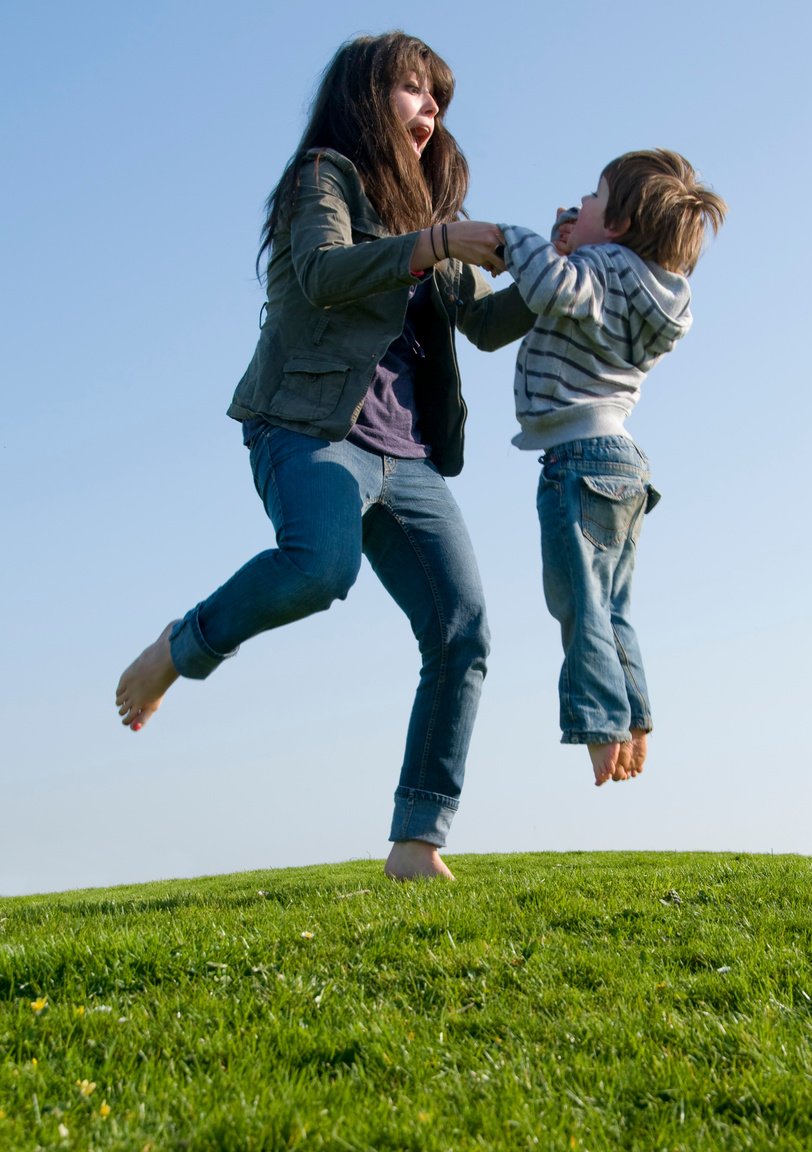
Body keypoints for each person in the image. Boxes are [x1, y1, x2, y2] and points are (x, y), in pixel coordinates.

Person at [115, 32, 533, 881]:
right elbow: (321, 271)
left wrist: (557, 270)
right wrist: (440, 241)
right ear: (364, 94)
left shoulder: (427, 218)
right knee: (320, 565)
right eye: (414, 88)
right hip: (307, 429)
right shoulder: (323, 175)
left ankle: (417, 842)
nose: (431, 108)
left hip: (406, 456)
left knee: (463, 628)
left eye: (439, 97)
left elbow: (486, 325)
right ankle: (180, 646)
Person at [497, 150, 726, 786]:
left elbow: (550, 287)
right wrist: (568, 244)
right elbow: (577, 288)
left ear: (620, 225)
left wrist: (508, 239)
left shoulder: (602, 266)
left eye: (592, 198)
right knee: (612, 604)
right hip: (623, 462)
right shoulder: (656, 291)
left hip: (578, 460)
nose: (578, 205)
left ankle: (601, 727)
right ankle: (636, 715)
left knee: (579, 602)